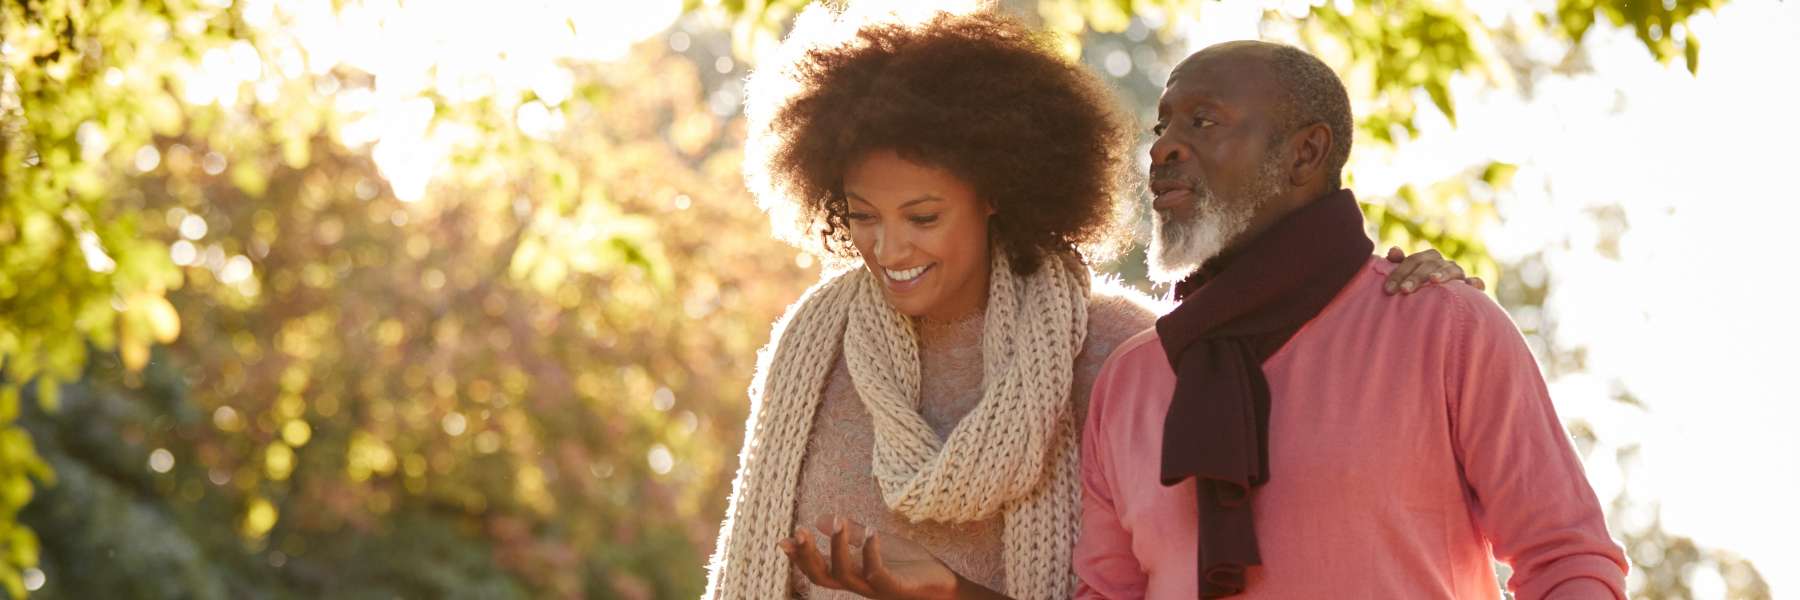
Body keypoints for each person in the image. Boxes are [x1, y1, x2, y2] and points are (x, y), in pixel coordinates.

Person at [706, 9, 1477, 599]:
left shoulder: (1121, 354)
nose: (888, 249)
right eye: (862, 216)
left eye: (923, 216)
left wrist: (1385, 289)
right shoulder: (814, 348)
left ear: (996, 196)